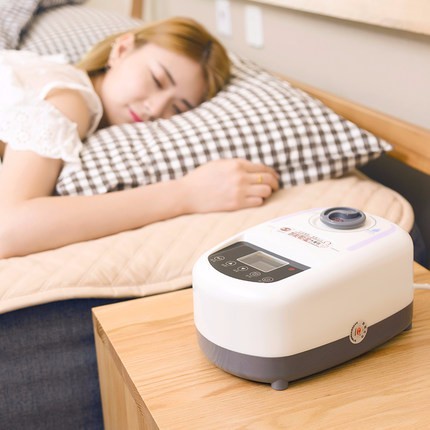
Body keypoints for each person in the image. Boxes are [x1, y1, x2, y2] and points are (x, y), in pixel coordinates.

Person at [0, 17, 279, 259]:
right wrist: (187, 193)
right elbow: (8, 228)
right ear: (122, 49)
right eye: (157, 80)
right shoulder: (70, 98)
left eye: (177, 109)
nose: (156, 109)